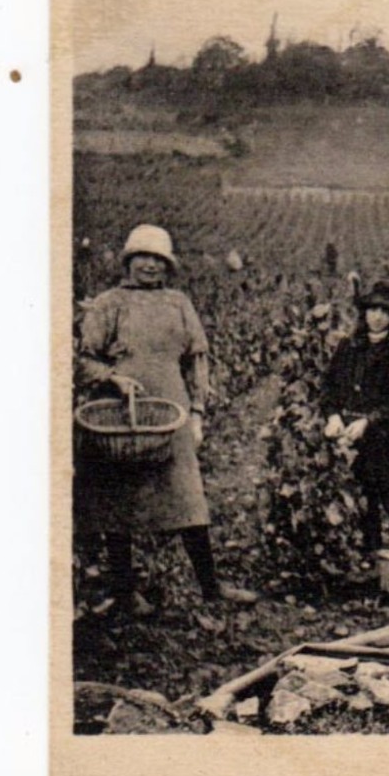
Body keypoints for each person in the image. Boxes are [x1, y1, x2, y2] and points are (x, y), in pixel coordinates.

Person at [75, 224, 257, 618]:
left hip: (171, 413)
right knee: (118, 503)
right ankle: (125, 592)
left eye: (158, 260)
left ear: (167, 266)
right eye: (142, 257)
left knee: (187, 497)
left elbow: (198, 359)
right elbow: (83, 359)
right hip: (121, 415)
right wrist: (112, 378)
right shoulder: (110, 303)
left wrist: (197, 413)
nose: (150, 266)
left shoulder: (178, 303)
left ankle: (211, 587)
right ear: (128, 262)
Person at [321, 280, 389, 566]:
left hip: (383, 437)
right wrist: (332, 415)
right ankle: (373, 557)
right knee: (364, 499)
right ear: (364, 313)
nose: (377, 316)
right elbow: (329, 386)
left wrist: (369, 421)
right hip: (350, 437)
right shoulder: (348, 347)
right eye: (373, 309)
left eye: (385, 311)